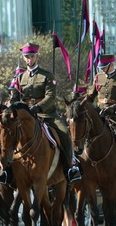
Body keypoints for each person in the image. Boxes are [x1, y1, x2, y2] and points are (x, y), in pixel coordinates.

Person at [9, 42, 74, 184]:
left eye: (31, 56)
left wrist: (37, 107)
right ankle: (7, 172)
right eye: (26, 57)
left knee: (64, 134)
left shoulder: (47, 75)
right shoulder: (20, 78)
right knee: (7, 135)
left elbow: (50, 96)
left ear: (36, 56)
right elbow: (14, 98)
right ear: (24, 57)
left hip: (46, 115)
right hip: (25, 117)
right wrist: (11, 106)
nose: (29, 59)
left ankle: (69, 169)